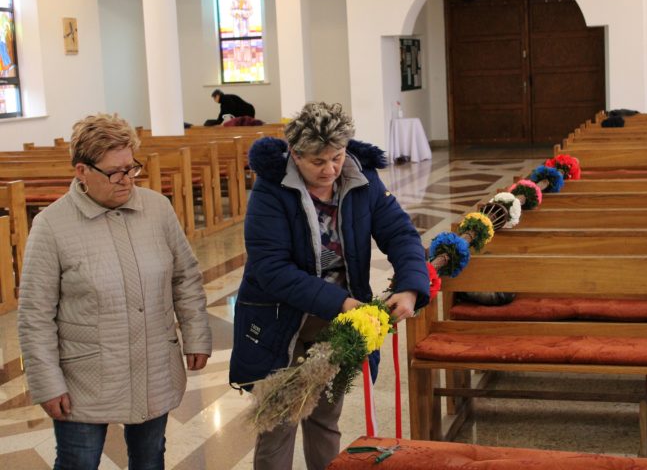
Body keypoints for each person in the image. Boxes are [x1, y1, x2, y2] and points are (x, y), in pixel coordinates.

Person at [229, 101, 430, 470]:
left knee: (326, 417)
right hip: (282, 318)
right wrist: (343, 304)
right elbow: (272, 269)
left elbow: (400, 233)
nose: (330, 169)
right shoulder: (271, 190)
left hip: (336, 318)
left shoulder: (362, 179)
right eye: (317, 161)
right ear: (295, 154)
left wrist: (410, 286)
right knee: (278, 422)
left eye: (336, 157)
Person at [17, 113, 212, 470]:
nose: (126, 180)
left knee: (150, 459)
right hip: (85, 378)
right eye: (114, 172)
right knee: (79, 462)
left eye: (131, 168)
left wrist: (196, 335)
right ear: (82, 171)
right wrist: (46, 382)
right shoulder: (51, 225)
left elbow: (185, 277)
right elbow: (35, 314)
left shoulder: (157, 208)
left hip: (154, 366)